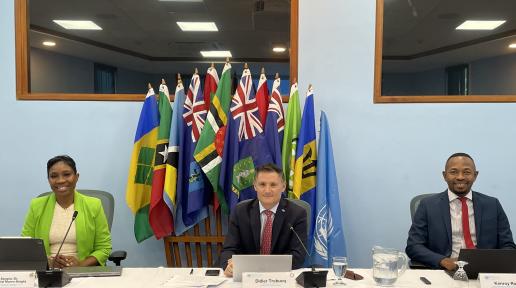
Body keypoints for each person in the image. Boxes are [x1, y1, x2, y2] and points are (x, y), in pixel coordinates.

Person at [406, 152, 515, 270]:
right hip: (443, 269)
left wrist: (491, 263)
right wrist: (442, 261)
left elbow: (508, 246)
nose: (460, 177)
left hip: (485, 271)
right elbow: (414, 246)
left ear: (475, 175)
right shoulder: (427, 205)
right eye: (453, 172)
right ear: (444, 175)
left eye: (467, 172)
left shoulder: (492, 205)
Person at [21, 155, 112, 268]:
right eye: (54, 176)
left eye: (67, 174)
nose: (61, 180)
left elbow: (104, 247)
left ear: (76, 177)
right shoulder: (36, 206)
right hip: (48, 272)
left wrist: (80, 265)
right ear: (48, 180)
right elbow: (26, 246)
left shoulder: (94, 205)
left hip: (83, 271)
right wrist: (48, 263)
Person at [219, 163, 308, 277]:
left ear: (283, 186)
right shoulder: (240, 211)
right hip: (247, 277)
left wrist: (264, 269)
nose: (267, 190)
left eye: (273, 185)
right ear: (255, 186)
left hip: (281, 277)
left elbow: (298, 255)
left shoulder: (297, 214)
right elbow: (229, 249)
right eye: (262, 184)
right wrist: (229, 265)